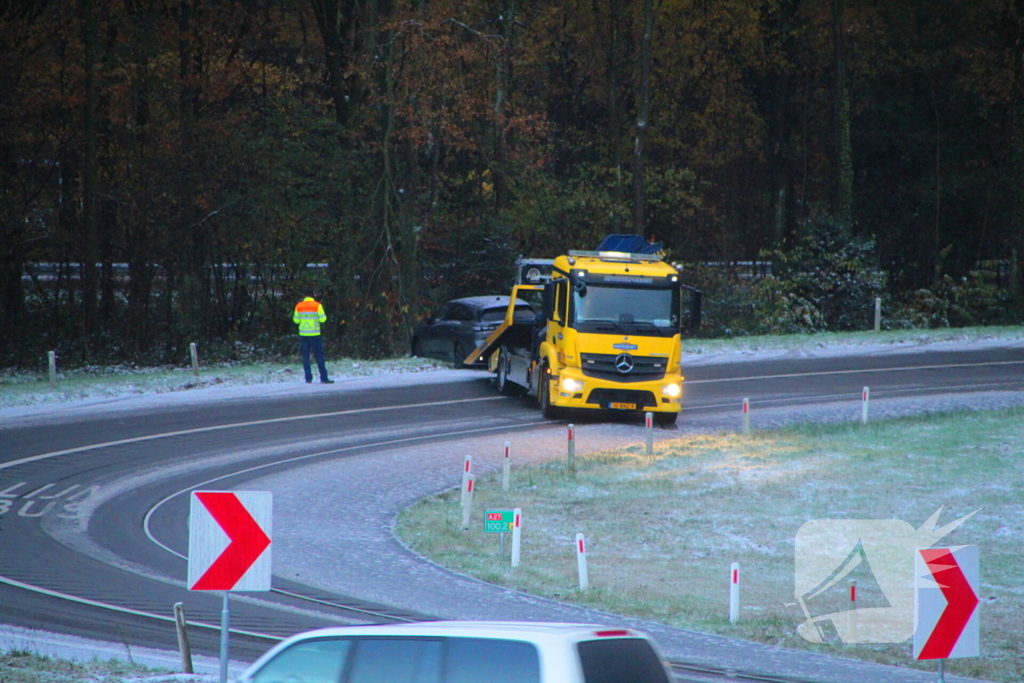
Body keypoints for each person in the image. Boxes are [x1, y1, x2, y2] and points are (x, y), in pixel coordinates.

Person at [293, 289, 334, 384]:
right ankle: (323, 377)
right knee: (319, 356)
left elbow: (296, 321)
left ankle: (308, 378)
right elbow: (323, 319)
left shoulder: (299, 306)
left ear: (304, 295)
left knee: (306, 357)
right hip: (315, 334)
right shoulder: (317, 305)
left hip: (303, 334)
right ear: (313, 295)